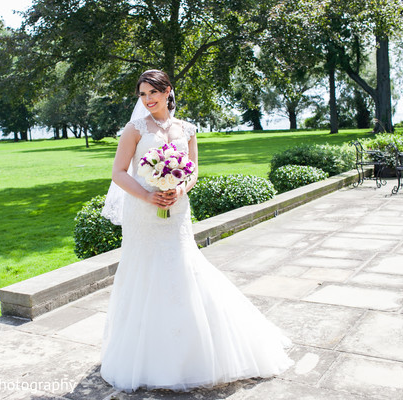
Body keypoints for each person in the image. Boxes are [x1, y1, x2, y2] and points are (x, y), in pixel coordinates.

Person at [100, 69, 293, 393]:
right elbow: (119, 173)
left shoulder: (186, 129)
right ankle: (144, 353)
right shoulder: (134, 129)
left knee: (183, 268)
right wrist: (148, 194)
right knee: (143, 272)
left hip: (175, 211)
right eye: (143, 94)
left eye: (153, 93)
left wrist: (180, 188)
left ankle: (193, 351)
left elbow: (193, 170)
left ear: (168, 92)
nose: (148, 100)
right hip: (142, 213)